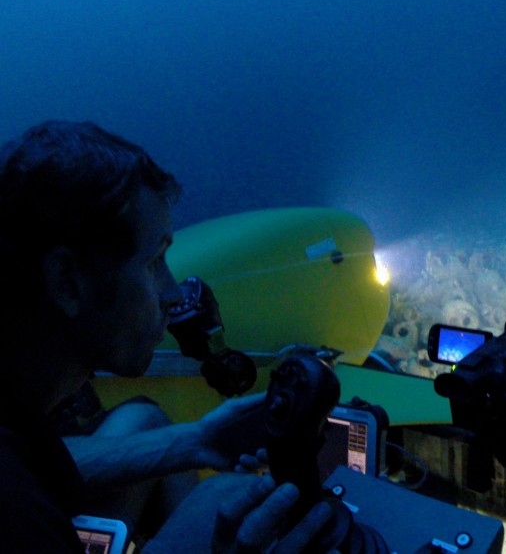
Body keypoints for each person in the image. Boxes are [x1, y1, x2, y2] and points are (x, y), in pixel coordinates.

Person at [0, 120, 330, 552]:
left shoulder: (19, 433)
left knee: (198, 475)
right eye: (154, 260)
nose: (173, 294)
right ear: (67, 281)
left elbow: (48, 463)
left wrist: (194, 440)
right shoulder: (17, 514)